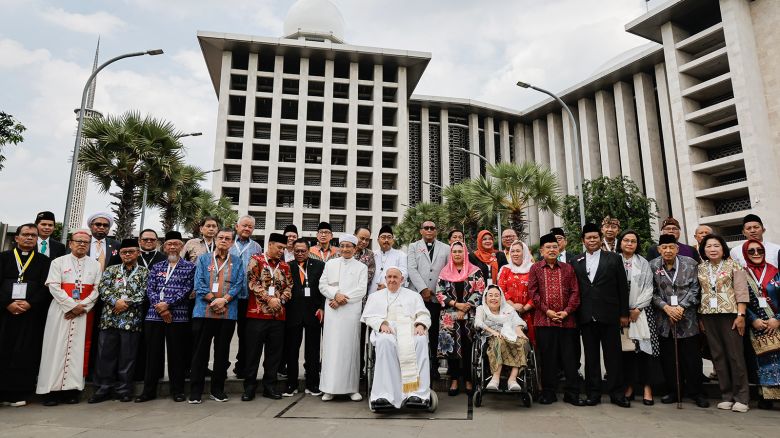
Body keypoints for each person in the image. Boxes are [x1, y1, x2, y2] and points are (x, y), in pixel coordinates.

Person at [36, 229, 102, 406]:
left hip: (83, 313)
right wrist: (72, 306)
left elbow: (97, 289)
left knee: (78, 351)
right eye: (78, 241)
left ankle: (72, 390)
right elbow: (54, 287)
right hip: (60, 311)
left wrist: (82, 307)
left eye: (85, 242)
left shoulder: (95, 264)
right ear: (70, 243)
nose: (82, 244)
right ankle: (50, 391)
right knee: (54, 349)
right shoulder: (58, 262)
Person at [573, 223, 630, 407]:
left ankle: (617, 393)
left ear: (600, 238)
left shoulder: (613, 258)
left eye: (595, 237)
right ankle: (593, 393)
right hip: (586, 316)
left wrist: (624, 314)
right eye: (588, 238)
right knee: (591, 358)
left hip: (610, 314)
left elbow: (622, 287)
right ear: (583, 241)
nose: (592, 240)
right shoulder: (576, 261)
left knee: (613, 356)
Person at [135, 231, 196, 403]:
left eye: (176, 244)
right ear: (164, 246)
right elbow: (150, 289)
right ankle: (148, 391)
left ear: (182, 247)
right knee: (152, 355)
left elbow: (187, 290)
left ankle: (177, 391)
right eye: (169, 244)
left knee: (177, 355)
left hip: (179, 316)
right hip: (154, 316)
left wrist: (168, 305)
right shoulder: (157, 267)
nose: (172, 247)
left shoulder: (190, 267)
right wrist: (161, 308)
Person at [650, 234, 709, 408]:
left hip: (687, 319)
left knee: (692, 359)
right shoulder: (653, 265)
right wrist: (666, 308)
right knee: (668, 359)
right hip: (664, 319)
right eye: (664, 248)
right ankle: (674, 391)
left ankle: (696, 392)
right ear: (659, 249)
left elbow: (696, 289)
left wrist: (681, 307)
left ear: (677, 248)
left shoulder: (690, 264)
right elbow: (650, 291)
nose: (667, 251)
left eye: (671, 247)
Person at [362, 267, 432, 410]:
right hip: (387, 329)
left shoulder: (413, 296)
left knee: (420, 340)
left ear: (402, 280)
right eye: (389, 277)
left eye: (395, 277)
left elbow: (424, 314)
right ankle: (385, 395)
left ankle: (417, 394)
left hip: (410, 329)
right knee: (385, 341)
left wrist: (420, 324)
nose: (392, 280)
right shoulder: (375, 297)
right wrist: (381, 323)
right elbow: (369, 317)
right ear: (385, 279)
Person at [188, 228, 245, 404]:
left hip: (228, 314)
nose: (223, 240)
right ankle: (195, 391)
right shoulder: (204, 259)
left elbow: (239, 283)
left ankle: (217, 389)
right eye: (221, 237)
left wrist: (224, 301)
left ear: (231, 242)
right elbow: (199, 283)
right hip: (203, 312)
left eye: (228, 238)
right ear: (215, 239)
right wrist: (214, 300)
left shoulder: (237, 261)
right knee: (200, 352)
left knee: (222, 353)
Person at [90, 238, 149, 404]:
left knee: (127, 357)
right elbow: (103, 288)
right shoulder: (111, 270)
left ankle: (123, 390)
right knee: (105, 356)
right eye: (124, 252)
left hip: (131, 321)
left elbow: (145, 292)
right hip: (109, 319)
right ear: (120, 254)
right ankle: (103, 389)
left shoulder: (144, 272)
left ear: (138, 253)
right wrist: (116, 301)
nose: (127, 255)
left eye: (131, 252)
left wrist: (126, 303)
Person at [529, 233, 584, 406]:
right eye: (548, 247)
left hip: (567, 322)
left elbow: (575, 292)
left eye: (555, 247)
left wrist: (566, 311)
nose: (552, 250)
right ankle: (549, 392)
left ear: (559, 248)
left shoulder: (568, 268)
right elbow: (533, 293)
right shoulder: (535, 268)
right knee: (548, 358)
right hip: (544, 321)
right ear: (542, 251)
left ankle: (572, 393)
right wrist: (548, 311)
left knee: (570, 358)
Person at [0, 224, 52, 407]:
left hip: (30, 314)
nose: (29, 238)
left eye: (33, 235)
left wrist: (30, 302)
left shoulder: (43, 261)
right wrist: (7, 303)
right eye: (26, 235)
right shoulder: (3, 258)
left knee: (25, 352)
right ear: (17, 237)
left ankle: (18, 392)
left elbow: (46, 287)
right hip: (5, 313)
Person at [698, 234, 750, 412]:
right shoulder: (701, 268)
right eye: (709, 246)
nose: (712, 249)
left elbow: (742, 291)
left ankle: (742, 397)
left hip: (730, 314)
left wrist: (741, 314)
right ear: (703, 249)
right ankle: (726, 395)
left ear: (723, 248)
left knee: (735, 355)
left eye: (716, 246)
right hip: (708, 315)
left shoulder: (734, 265)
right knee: (718, 356)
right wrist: (700, 319)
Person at [242, 233, 292, 401]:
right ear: (270, 245)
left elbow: (289, 286)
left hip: (278, 316)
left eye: (284, 248)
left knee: (274, 355)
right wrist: (269, 299)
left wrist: (281, 300)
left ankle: (269, 387)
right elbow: (252, 283)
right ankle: (249, 387)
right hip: (257, 315)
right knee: (253, 354)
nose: (281, 251)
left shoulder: (285, 266)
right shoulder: (256, 260)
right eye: (279, 247)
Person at [319, 234, 368, 401]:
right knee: (332, 349)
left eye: (349, 246)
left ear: (355, 249)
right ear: (339, 247)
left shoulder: (361, 267)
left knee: (350, 348)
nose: (346, 249)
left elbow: (361, 290)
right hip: (333, 312)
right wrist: (335, 294)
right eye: (343, 246)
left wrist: (341, 299)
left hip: (350, 312)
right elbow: (322, 285)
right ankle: (328, 388)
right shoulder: (330, 264)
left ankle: (351, 388)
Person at [618, 230, 662, 406]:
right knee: (626, 352)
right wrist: (623, 311)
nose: (629, 244)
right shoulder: (614, 260)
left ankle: (647, 388)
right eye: (626, 240)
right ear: (620, 242)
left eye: (633, 241)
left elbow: (649, 288)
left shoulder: (643, 262)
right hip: (621, 315)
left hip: (642, 313)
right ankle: (628, 386)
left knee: (645, 352)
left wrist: (637, 308)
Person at [436, 241, 485, 396]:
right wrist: (456, 305)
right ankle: (454, 380)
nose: (457, 254)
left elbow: (480, 290)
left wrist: (466, 306)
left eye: (460, 251)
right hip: (449, 316)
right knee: (451, 349)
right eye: (454, 252)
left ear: (465, 253)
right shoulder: (444, 272)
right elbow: (440, 293)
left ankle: (469, 380)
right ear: (451, 254)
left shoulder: (475, 271)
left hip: (469, 314)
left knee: (468, 346)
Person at [407, 220, 450, 380]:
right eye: (426, 228)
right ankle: (416, 366)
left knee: (434, 333)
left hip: (437, 298)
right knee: (418, 331)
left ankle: (433, 368)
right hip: (418, 296)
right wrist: (423, 289)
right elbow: (411, 269)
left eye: (432, 228)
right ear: (421, 231)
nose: (429, 230)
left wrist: (437, 291)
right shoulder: (413, 247)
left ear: (436, 231)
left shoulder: (446, 248)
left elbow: (447, 271)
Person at [283, 238, 325, 397]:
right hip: (293, 314)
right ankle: (291, 384)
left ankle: (312, 383)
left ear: (309, 251)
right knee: (291, 350)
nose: (300, 254)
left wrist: (322, 307)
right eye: (297, 251)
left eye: (303, 251)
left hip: (313, 314)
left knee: (313, 351)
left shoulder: (320, 266)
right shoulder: (287, 266)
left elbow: (323, 288)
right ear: (293, 251)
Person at [743, 239, 780, 409]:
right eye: (751, 251)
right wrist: (753, 320)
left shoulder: (776, 272)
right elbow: (740, 300)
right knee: (760, 361)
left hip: (776, 323)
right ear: (745, 253)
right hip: (756, 325)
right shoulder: (741, 274)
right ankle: (764, 396)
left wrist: (777, 318)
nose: (756, 253)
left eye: (760, 250)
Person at [475, 285, 530, 391]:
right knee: (499, 341)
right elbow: (477, 323)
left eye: (497, 295)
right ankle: (495, 379)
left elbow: (520, 321)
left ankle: (512, 379)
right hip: (491, 338)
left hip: (509, 336)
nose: (493, 298)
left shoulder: (508, 309)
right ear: (485, 298)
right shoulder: (481, 309)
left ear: (501, 298)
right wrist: (493, 332)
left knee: (523, 342)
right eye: (490, 295)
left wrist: (518, 328)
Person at [230, 215, 262, 379]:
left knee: (245, 334)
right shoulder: (228, 243)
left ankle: (241, 366)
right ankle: (222, 366)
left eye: (250, 226)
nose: (247, 229)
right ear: (237, 226)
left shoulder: (256, 247)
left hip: (247, 297)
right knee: (225, 335)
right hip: (228, 298)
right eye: (244, 225)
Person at [134, 229, 166, 381]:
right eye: (145, 239)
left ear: (157, 242)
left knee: (155, 341)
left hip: (155, 305)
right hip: (135, 305)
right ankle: (136, 373)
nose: (148, 242)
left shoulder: (163, 258)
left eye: (152, 240)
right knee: (136, 339)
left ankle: (155, 373)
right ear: (139, 241)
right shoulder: (132, 255)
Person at [497, 240, 535, 345]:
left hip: (530, 313)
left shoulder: (533, 269)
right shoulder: (505, 269)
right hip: (508, 312)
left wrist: (525, 308)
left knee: (530, 345)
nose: (515, 254)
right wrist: (513, 306)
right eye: (512, 251)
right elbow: (501, 291)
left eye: (518, 251)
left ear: (525, 252)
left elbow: (537, 292)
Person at [371, 225, 407, 295]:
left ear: (393, 240)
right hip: (372, 292)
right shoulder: (372, 254)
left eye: (389, 238)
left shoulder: (401, 255)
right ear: (378, 240)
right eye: (383, 237)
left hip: (392, 292)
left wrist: (386, 285)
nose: (386, 240)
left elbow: (404, 274)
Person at [354, 226, 376, 294]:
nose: (364, 242)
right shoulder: (344, 251)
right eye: (362, 238)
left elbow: (369, 275)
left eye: (367, 240)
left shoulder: (370, 254)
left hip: (360, 294)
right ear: (354, 236)